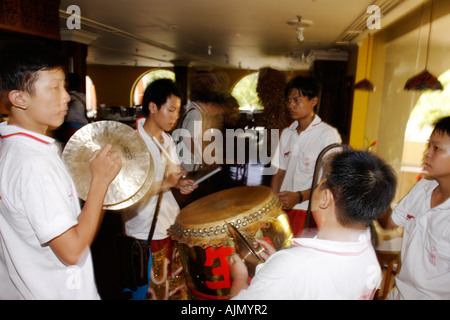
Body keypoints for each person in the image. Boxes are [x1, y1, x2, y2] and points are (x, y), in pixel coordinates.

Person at [0, 42, 122, 299]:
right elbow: (73, 250)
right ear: (19, 98)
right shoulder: (33, 164)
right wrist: (99, 181)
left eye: (64, 86)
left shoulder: (13, 147)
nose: (66, 96)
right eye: (54, 88)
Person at [230, 149, 397, 299]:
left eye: (321, 182)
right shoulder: (368, 255)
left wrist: (240, 277)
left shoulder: (293, 267)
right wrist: (275, 263)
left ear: (325, 198)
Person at [121, 79, 197, 300]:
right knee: (148, 291)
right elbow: (126, 193)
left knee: (171, 290)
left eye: (177, 111)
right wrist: (167, 183)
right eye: (170, 109)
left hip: (168, 225)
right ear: (153, 107)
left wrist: (181, 182)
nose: (175, 116)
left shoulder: (166, 139)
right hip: (143, 231)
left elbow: (173, 173)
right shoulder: (131, 142)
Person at [379, 116, 450, 300]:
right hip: (399, 294)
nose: (427, 153)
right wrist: (374, 193)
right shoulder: (423, 188)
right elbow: (389, 222)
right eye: (428, 146)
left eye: (436, 148)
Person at [271, 76, 342, 238]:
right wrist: (272, 207)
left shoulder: (327, 135)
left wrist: (299, 196)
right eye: (288, 100)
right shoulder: (287, 133)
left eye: (297, 100)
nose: (290, 105)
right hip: (283, 209)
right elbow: (279, 173)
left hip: (310, 211)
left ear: (313, 101)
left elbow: (330, 181)